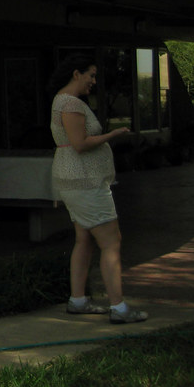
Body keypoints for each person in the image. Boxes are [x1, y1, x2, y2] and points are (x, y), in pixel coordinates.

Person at [48, 53, 148, 324]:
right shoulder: (69, 102)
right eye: (90, 75)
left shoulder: (66, 101)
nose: (93, 81)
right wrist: (113, 135)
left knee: (84, 239)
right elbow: (79, 144)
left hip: (78, 182)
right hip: (85, 183)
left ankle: (78, 300)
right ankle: (119, 307)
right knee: (111, 241)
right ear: (76, 74)